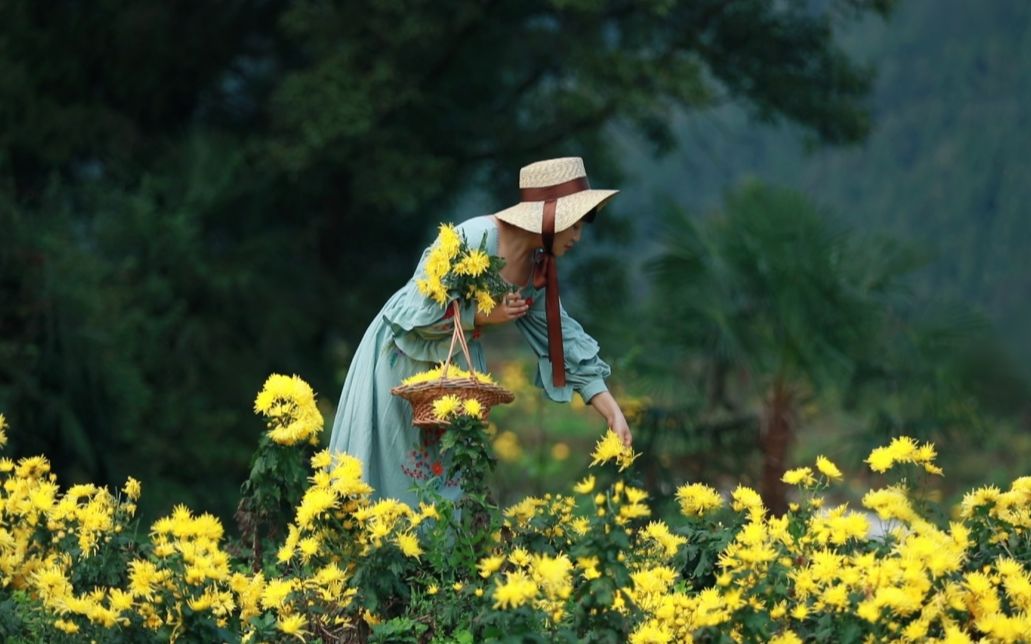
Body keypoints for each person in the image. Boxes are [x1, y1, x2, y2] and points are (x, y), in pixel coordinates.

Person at [328, 157, 633, 508]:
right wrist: (482, 316)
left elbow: (561, 340)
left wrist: (612, 411)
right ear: (552, 216)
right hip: (401, 360)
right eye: (576, 225)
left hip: (454, 378)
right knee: (384, 483)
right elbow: (409, 315)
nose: (579, 237)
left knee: (446, 491)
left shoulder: (537, 269)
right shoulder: (473, 238)